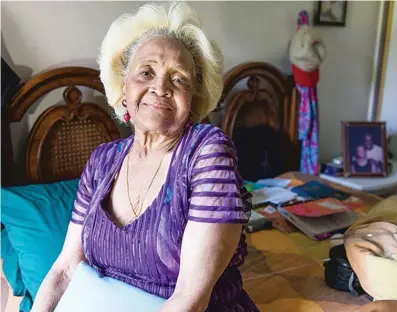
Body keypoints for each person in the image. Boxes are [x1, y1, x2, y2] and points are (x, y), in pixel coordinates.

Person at [30, 3, 258, 311]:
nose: (160, 87)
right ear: (124, 87)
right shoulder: (102, 160)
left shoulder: (206, 151)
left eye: (179, 79)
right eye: (146, 72)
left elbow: (190, 299)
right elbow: (66, 268)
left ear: (192, 101)